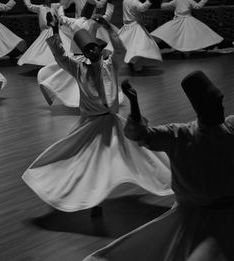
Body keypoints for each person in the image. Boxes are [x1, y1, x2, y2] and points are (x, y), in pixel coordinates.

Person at [84, 71, 234, 261]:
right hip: (197, 220)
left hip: (233, 213)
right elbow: (141, 136)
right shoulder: (180, 135)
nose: (220, 107)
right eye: (215, 103)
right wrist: (135, 105)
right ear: (200, 107)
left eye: (220, 101)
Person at [22, 15, 172, 213]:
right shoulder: (79, 68)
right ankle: (94, 201)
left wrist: (108, 26)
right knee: (91, 163)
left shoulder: (110, 66)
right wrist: (55, 31)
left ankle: (166, 177)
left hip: (112, 123)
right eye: (87, 50)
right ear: (84, 53)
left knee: (141, 154)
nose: (91, 51)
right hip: (91, 124)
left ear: (100, 49)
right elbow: (60, 56)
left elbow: (121, 50)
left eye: (93, 47)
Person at [37, 1, 121, 108]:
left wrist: (60, 7)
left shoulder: (73, 22)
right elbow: (107, 17)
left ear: (82, 11)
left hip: (76, 57)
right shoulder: (93, 23)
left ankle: (79, 100)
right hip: (89, 57)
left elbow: (62, 17)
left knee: (73, 79)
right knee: (90, 81)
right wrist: (110, 5)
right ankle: (88, 100)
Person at [150, 0, 223, 53]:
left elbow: (164, 6)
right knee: (189, 37)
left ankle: (184, 51)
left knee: (180, 36)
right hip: (186, 20)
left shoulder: (177, 0)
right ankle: (186, 51)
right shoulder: (188, 0)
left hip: (180, 20)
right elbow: (198, 6)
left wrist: (163, 2)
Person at [17, 0, 67, 66]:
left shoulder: (55, 6)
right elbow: (30, 6)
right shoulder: (40, 8)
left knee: (60, 47)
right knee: (42, 48)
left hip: (56, 30)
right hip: (45, 32)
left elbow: (63, 4)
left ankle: (57, 62)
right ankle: (47, 62)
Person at [119, 0, 162, 72]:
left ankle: (132, 62)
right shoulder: (134, 2)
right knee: (141, 45)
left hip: (127, 26)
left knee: (131, 46)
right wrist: (149, 1)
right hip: (135, 27)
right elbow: (142, 8)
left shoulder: (125, 1)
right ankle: (134, 64)